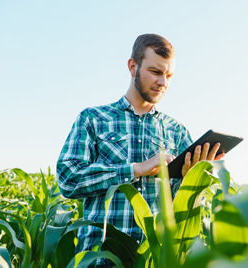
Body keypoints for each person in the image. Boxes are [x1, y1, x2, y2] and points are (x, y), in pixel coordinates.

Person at [56, 34, 222, 265]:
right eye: (155, 72)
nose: (163, 82)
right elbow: (68, 179)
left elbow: (178, 211)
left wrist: (191, 181)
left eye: (169, 75)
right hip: (98, 260)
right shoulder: (93, 119)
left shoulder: (177, 131)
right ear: (133, 66)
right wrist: (135, 170)